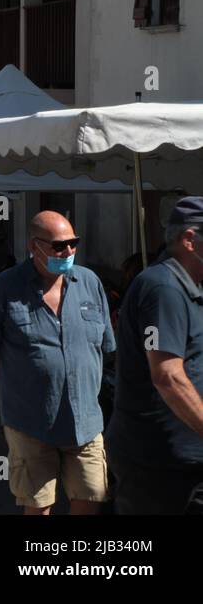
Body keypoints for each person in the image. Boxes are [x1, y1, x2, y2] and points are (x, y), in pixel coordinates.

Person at [0, 211, 115, 515]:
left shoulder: (90, 283)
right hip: (30, 424)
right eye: (59, 246)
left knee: (91, 501)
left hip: (86, 421)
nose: (68, 252)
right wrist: (17, 384)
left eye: (73, 244)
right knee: (39, 507)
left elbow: (106, 346)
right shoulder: (4, 289)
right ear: (33, 246)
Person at [108, 197, 203, 514]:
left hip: (182, 458)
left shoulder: (188, 287)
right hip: (160, 464)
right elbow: (168, 376)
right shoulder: (163, 289)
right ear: (189, 240)